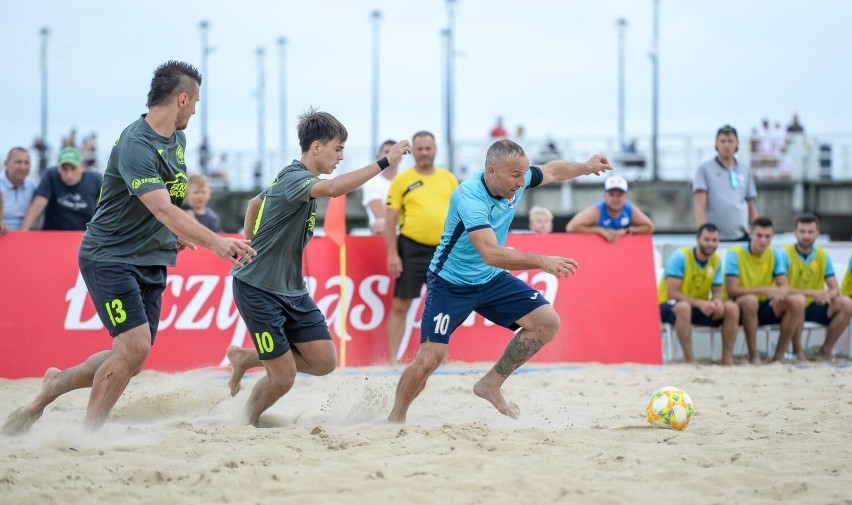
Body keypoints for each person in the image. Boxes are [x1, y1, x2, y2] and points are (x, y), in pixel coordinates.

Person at [1, 60, 256, 434]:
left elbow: (166, 206)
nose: (197, 109)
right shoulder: (137, 142)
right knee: (134, 347)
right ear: (182, 100)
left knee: (131, 357)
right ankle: (87, 436)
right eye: (196, 101)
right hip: (110, 256)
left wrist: (175, 234)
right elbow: (161, 205)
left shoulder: (177, 141)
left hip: (151, 258)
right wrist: (217, 242)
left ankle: (54, 386)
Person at [387, 139, 611, 423]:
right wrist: (542, 261)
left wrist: (586, 167)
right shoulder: (470, 197)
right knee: (431, 358)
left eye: (523, 174)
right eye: (515, 175)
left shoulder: (516, 177)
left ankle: (490, 383)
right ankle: (395, 418)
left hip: (489, 280)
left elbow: (553, 171)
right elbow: (491, 253)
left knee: (547, 323)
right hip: (450, 282)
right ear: (491, 171)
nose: (521, 182)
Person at [223, 109, 412, 426]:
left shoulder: (291, 176)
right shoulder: (296, 179)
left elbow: (253, 203)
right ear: (316, 147)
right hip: (258, 288)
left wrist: (249, 241)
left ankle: (244, 357)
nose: (340, 156)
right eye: (337, 149)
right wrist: (384, 163)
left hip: (291, 289)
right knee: (283, 378)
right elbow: (335, 188)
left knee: (324, 362)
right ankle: (245, 421)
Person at [384, 131, 457, 365]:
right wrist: (393, 253)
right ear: (413, 151)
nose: (424, 152)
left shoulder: (449, 179)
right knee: (401, 304)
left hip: (444, 250)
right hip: (411, 248)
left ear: (435, 150)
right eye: (420, 148)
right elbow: (390, 219)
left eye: (428, 148)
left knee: (443, 306)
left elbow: (459, 216)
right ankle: (393, 360)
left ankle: (440, 358)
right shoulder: (402, 180)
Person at [724, 216, 805, 364]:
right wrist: (765, 289)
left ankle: (779, 356)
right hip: (740, 306)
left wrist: (780, 293)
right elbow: (732, 291)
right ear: (750, 235)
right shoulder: (735, 253)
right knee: (750, 300)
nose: (763, 240)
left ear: (772, 237)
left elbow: (784, 286)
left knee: (798, 301)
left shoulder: (775, 254)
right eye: (759, 235)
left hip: (764, 304)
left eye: (767, 236)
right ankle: (753, 355)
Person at [658, 223, 740, 364]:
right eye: (707, 239)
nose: (710, 244)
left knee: (732, 308)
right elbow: (672, 293)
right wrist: (701, 303)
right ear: (697, 240)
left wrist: (717, 302)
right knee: (684, 307)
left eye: (714, 240)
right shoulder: (681, 257)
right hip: (668, 305)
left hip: (696, 305)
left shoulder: (716, 260)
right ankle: (690, 359)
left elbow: (717, 291)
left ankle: (727, 358)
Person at [781, 214, 852, 360]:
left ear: (817, 234)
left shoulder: (823, 256)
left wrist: (827, 296)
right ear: (795, 232)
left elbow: (834, 289)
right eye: (802, 231)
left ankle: (825, 351)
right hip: (790, 306)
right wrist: (814, 293)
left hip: (814, 306)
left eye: (810, 232)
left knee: (846, 303)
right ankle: (797, 352)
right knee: (798, 301)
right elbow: (782, 288)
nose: (806, 236)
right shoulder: (784, 254)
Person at [694, 125, 758, 241]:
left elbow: (750, 203)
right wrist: (704, 234)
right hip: (714, 238)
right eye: (723, 141)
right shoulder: (704, 169)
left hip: (741, 235)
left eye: (730, 141)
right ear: (716, 143)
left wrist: (756, 231)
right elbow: (700, 205)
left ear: (737, 144)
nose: (726, 145)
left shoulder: (744, 170)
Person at [21, 146, 103, 231]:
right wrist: (23, 233)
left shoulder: (95, 179)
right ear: (58, 168)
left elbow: (109, 205)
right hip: (54, 235)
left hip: (84, 235)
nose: (69, 175)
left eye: (73, 168)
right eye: (64, 169)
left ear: (82, 167)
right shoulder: (52, 175)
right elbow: (38, 203)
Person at [565, 175, 654, 242]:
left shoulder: (630, 209)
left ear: (626, 196)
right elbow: (571, 227)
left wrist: (625, 231)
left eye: (619, 195)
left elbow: (649, 227)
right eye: (612, 194)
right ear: (605, 196)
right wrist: (599, 230)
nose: (615, 199)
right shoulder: (597, 210)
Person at [361, 139, 400, 234]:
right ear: (378, 156)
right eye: (387, 152)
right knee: (381, 223)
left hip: (407, 232)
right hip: (384, 233)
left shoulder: (407, 180)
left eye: (395, 152)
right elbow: (381, 215)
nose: (391, 155)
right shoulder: (372, 182)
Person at [1, 147, 37, 231]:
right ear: (6, 164)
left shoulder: (32, 186)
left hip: (24, 237)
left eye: (26, 163)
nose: (23, 167)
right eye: (18, 162)